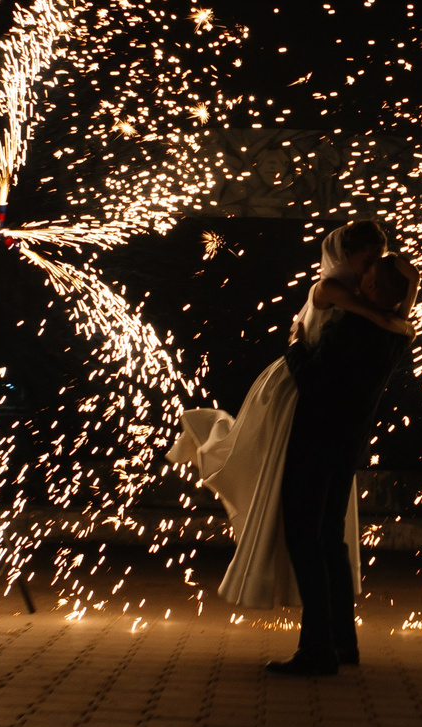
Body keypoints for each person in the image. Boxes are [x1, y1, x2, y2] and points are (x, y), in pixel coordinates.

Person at [170, 220, 409, 613]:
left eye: (378, 262)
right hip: (295, 392)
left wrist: (400, 303)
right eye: (368, 260)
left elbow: (383, 310)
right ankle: (329, 638)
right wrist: (399, 312)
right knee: (295, 504)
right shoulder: (331, 290)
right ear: (347, 257)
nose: (373, 269)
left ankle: (320, 640)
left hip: (315, 398)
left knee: (311, 524)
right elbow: (383, 314)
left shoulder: (357, 302)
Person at [268, 252, 418, 676]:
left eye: (365, 276)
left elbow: (311, 381)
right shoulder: (396, 332)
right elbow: (398, 306)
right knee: (331, 542)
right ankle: (342, 641)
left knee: (305, 540)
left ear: (369, 289)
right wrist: (413, 281)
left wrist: (296, 342)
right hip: (346, 447)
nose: (357, 279)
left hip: (316, 443)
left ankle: (317, 650)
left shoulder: (351, 329)